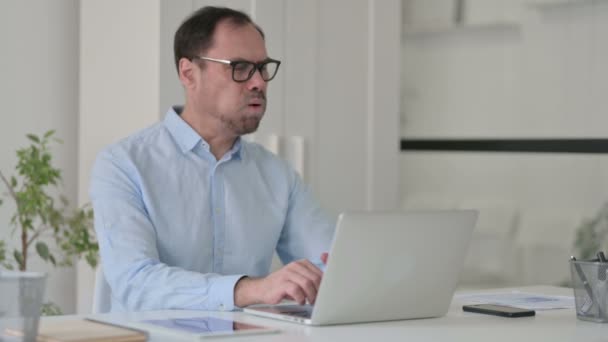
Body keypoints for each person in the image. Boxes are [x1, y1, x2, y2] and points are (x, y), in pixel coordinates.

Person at [90, 6, 334, 312]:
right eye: (241, 67)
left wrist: (330, 278)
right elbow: (135, 281)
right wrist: (250, 289)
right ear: (188, 73)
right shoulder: (124, 164)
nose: (258, 82)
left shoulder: (277, 174)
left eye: (262, 67)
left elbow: (332, 265)